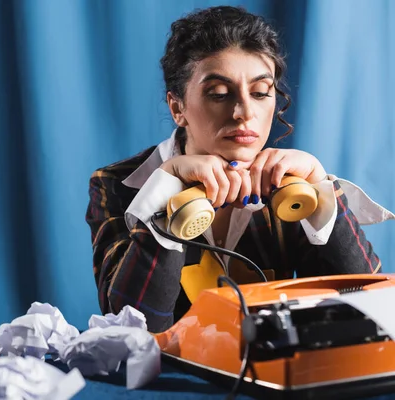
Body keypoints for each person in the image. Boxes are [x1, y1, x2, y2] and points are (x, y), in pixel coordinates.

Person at [85, 6, 394, 333]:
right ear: (177, 108)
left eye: (261, 93)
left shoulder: (289, 183)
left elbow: (370, 308)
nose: (244, 112)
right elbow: (128, 330)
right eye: (219, 94)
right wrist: (164, 201)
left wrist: (320, 189)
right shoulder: (117, 184)